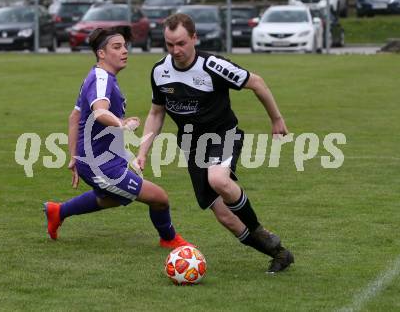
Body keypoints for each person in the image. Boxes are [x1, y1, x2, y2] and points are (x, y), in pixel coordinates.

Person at [135, 14, 294, 273]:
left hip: (223, 135)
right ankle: (279, 253)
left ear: (195, 38)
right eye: (169, 44)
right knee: (225, 217)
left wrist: (276, 119)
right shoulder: (160, 72)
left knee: (218, 179)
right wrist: (143, 152)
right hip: (192, 147)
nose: (176, 50)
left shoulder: (213, 66)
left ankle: (257, 228)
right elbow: (156, 113)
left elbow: (256, 82)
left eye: (181, 43)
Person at [44, 26, 193, 249]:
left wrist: (74, 155)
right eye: (117, 47)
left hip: (101, 159)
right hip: (100, 164)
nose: (124, 51)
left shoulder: (96, 76)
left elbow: (75, 116)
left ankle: (58, 211)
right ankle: (169, 239)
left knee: (112, 198)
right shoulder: (101, 79)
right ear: (101, 53)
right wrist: (120, 123)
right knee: (159, 198)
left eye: (125, 46)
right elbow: (99, 111)